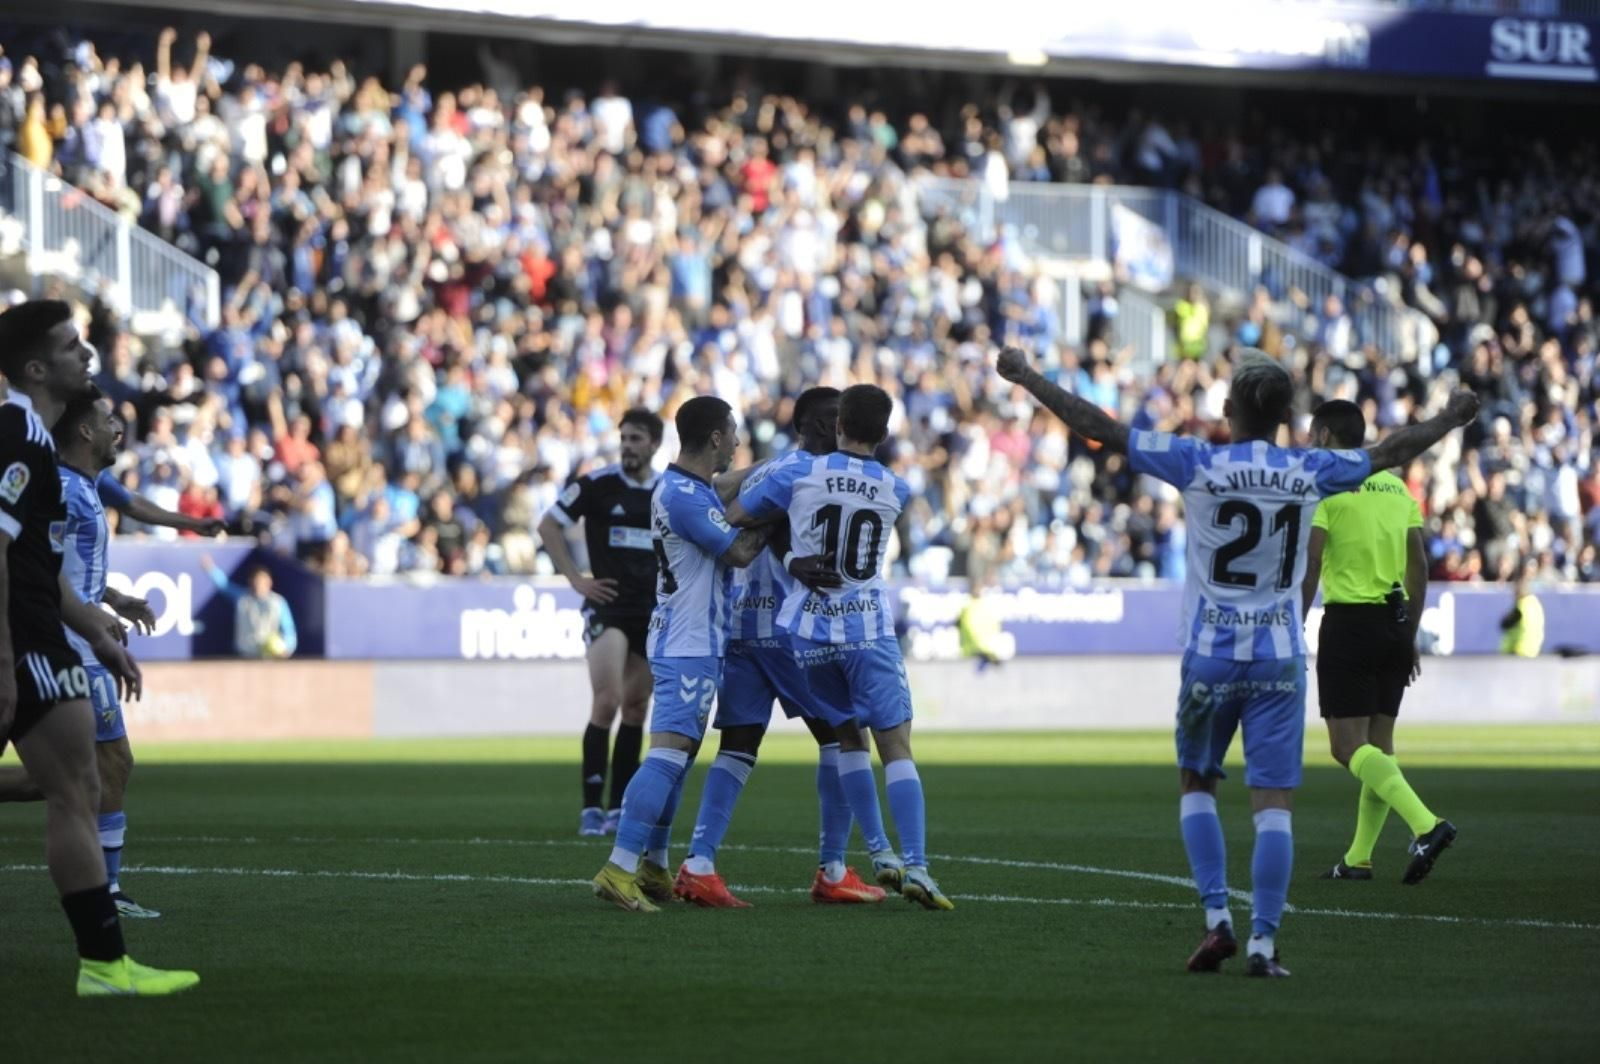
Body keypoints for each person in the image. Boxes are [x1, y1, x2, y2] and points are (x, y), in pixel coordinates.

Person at [996, 345, 1479, 977]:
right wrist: (1449, 418)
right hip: (1279, 659)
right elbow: (1391, 452)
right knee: (1273, 802)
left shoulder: (1198, 462)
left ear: (1227, 410)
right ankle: (1264, 944)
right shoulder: (1310, 468)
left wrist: (1029, 377)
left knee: (1197, 784)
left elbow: (1101, 428)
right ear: (1286, 415)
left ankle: (1219, 919)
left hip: (1210, 657)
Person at [0, 299, 198, 996]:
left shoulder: (45, 451)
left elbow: (41, 565)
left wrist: (93, 631)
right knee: (77, 782)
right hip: (16, 637)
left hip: (43, 631)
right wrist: (3, 660)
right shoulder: (16, 435)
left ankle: (105, 966)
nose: (85, 354)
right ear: (34, 367)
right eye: (69, 346)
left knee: (81, 782)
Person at [728, 383, 951, 911]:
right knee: (895, 746)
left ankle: (879, 854)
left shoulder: (797, 473)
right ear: (886, 432)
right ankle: (916, 863)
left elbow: (739, 514)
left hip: (808, 632)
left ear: (840, 425)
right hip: (867, 628)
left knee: (848, 740)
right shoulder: (896, 488)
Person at [675, 387, 889, 907]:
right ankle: (833, 868)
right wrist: (792, 560)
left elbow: (730, 501)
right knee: (843, 737)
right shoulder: (804, 473)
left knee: (739, 746)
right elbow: (764, 518)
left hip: (746, 626)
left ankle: (699, 862)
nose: (838, 429)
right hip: (790, 628)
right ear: (816, 426)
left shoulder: (777, 469)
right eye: (832, 420)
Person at [590, 396, 770, 912]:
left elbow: (728, 488)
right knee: (668, 757)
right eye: (733, 433)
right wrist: (775, 514)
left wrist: (780, 466)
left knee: (680, 758)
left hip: (692, 640)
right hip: (687, 644)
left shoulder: (688, 487)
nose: (737, 442)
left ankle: (652, 864)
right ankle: (618, 867)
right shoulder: (685, 497)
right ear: (714, 437)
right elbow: (737, 551)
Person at [1301, 400, 1454, 885]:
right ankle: (1358, 859)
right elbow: (1419, 567)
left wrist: (1291, 626)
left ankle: (1427, 824)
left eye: (1312, 433)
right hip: (1394, 623)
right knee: (1378, 749)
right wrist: (1408, 633)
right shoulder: (1396, 485)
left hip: (1350, 623)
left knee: (1348, 749)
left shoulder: (1327, 485)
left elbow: (1310, 565)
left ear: (1325, 435)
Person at [55, 388, 174, 917]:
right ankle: (104, 891)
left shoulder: (85, 485)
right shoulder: (61, 488)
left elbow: (74, 573)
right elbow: (40, 568)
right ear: (84, 430)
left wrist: (116, 598)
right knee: (90, 770)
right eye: (107, 419)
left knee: (106, 765)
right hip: (70, 646)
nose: (118, 428)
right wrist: (89, 618)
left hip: (85, 640)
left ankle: (107, 890)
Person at [538, 409, 663, 837]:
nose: (627, 445)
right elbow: (549, 524)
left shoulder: (668, 491)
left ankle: (618, 806)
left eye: (636, 438)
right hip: (607, 607)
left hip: (651, 611)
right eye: (624, 438)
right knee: (607, 700)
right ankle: (591, 806)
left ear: (654, 445)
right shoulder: (596, 484)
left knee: (636, 707)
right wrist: (576, 579)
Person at [200, 556, 297, 659]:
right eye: (256, 581)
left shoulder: (278, 602)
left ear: (269, 582)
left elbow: (288, 629)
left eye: (262, 581)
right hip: (245, 654)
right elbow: (224, 585)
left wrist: (286, 647)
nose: (259, 584)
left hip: (269, 657)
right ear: (251, 582)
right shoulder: (241, 597)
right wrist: (211, 569)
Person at [958, 571, 1007, 671]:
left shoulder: (985, 605)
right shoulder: (968, 607)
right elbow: (969, 628)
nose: (979, 590)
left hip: (987, 651)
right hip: (974, 652)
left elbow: (994, 626)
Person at [1499, 562, 1545, 658]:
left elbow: (1505, 624)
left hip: (1518, 650)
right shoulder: (1535, 604)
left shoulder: (1521, 606)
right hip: (1533, 651)